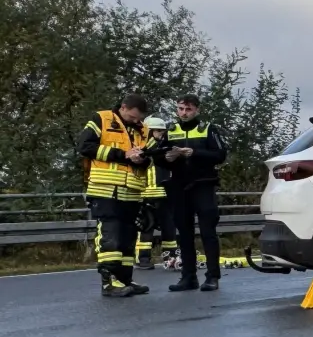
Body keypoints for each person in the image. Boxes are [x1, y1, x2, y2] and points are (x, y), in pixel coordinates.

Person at [77, 94, 152, 297]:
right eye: (133, 117)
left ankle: (125, 279)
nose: (136, 122)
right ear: (123, 107)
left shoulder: (143, 128)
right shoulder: (101, 119)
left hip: (132, 192)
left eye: (139, 118)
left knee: (128, 238)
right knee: (111, 237)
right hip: (105, 189)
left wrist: (142, 159)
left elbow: (149, 158)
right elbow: (85, 147)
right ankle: (109, 282)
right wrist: (122, 155)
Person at [165, 94, 229, 291]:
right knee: (184, 234)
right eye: (181, 109)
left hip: (203, 185)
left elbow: (220, 154)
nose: (184, 113)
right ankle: (188, 277)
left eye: (189, 109)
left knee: (208, 232)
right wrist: (167, 156)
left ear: (197, 110)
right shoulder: (170, 130)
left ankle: (212, 277)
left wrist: (195, 153)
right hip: (179, 187)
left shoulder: (207, 129)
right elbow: (158, 156)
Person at [135, 117, 179, 269]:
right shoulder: (143, 146)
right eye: (158, 130)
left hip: (165, 194)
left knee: (169, 227)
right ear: (149, 131)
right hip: (147, 195)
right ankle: (143, 259)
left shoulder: (165, 146)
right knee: (147, 227)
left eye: (162, 131)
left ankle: (171, 256)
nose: (161, 133)